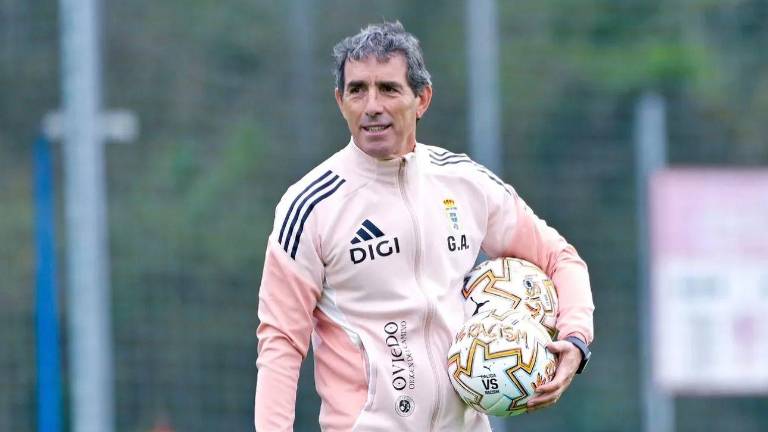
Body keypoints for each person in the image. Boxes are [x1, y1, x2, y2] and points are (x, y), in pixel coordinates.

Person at [254, 21, 594, 431]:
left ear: (422, 99)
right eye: (357, 90)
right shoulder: (309, 206)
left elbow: (561, 258)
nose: (372, 105)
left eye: (389, 89)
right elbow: (281, 341)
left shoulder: (465, 182)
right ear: (340, 101)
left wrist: (575, 341)